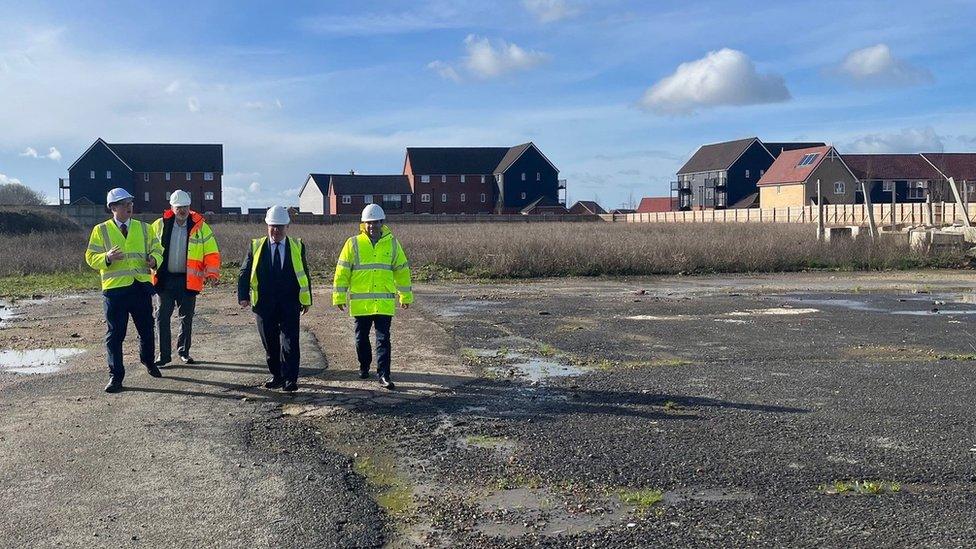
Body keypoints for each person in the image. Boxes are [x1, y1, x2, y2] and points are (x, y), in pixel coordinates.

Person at [85, 187, 165, 393]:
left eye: (130, 203)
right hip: (115, 291)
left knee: (146, 330)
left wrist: (155, 259)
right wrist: (107, 258)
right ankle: (116, 377)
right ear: (112, 207)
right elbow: (91, 257)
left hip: (140, 287)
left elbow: (158, 248)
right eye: (123, 203)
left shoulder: (145, 228)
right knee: (115, 335)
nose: (129, 206)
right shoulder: (100, 230)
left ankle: (148, 361)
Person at [332, 204, 413, 390]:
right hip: (362, 304)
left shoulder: (392, 243)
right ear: (363, 224)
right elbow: (342, 271)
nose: (371, 226)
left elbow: (402, 270)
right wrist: (339, 296)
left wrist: (405, 296)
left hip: (384, 302)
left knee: (383, 339)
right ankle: (364, 365)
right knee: (361, 338)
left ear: (381, 222)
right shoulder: (353, 243)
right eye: (368, 223)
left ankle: (384, 374)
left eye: (375, 222)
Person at [237, 206, 311, 392]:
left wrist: (306, 299)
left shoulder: (297, 245)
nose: (276, 231)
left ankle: (290, 379)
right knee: (270, 343)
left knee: (290, 342)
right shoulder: (255, 246)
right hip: (264, 303)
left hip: (289, 302)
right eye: (273, 226)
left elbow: (304, 272)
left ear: (287, 227)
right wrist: (243, 296)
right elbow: (245, 271)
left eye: (280, 227)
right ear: (267, 226)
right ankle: (277, 376)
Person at [151, 189, 221, 366]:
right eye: (179, 207)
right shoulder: (159, 225)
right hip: (164, 279)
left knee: (186, 317)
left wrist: (212, 273)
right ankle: (163, 355)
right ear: (172, 208)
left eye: (186, 207)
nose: (182, 210)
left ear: (190, 207)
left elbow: (211, 252)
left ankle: (184, 351)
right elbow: (149, 247)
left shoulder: (200, 226)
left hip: (188, 280)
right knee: (161, 317)